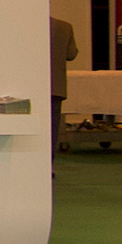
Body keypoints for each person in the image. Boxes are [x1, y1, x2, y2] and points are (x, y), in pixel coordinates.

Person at [51, 15, 79, 159]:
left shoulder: (29, 25)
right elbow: (71, 54)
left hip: (33, 86)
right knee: (53, 129)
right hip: (56, 85)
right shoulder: (65, 27)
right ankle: (49, 164)